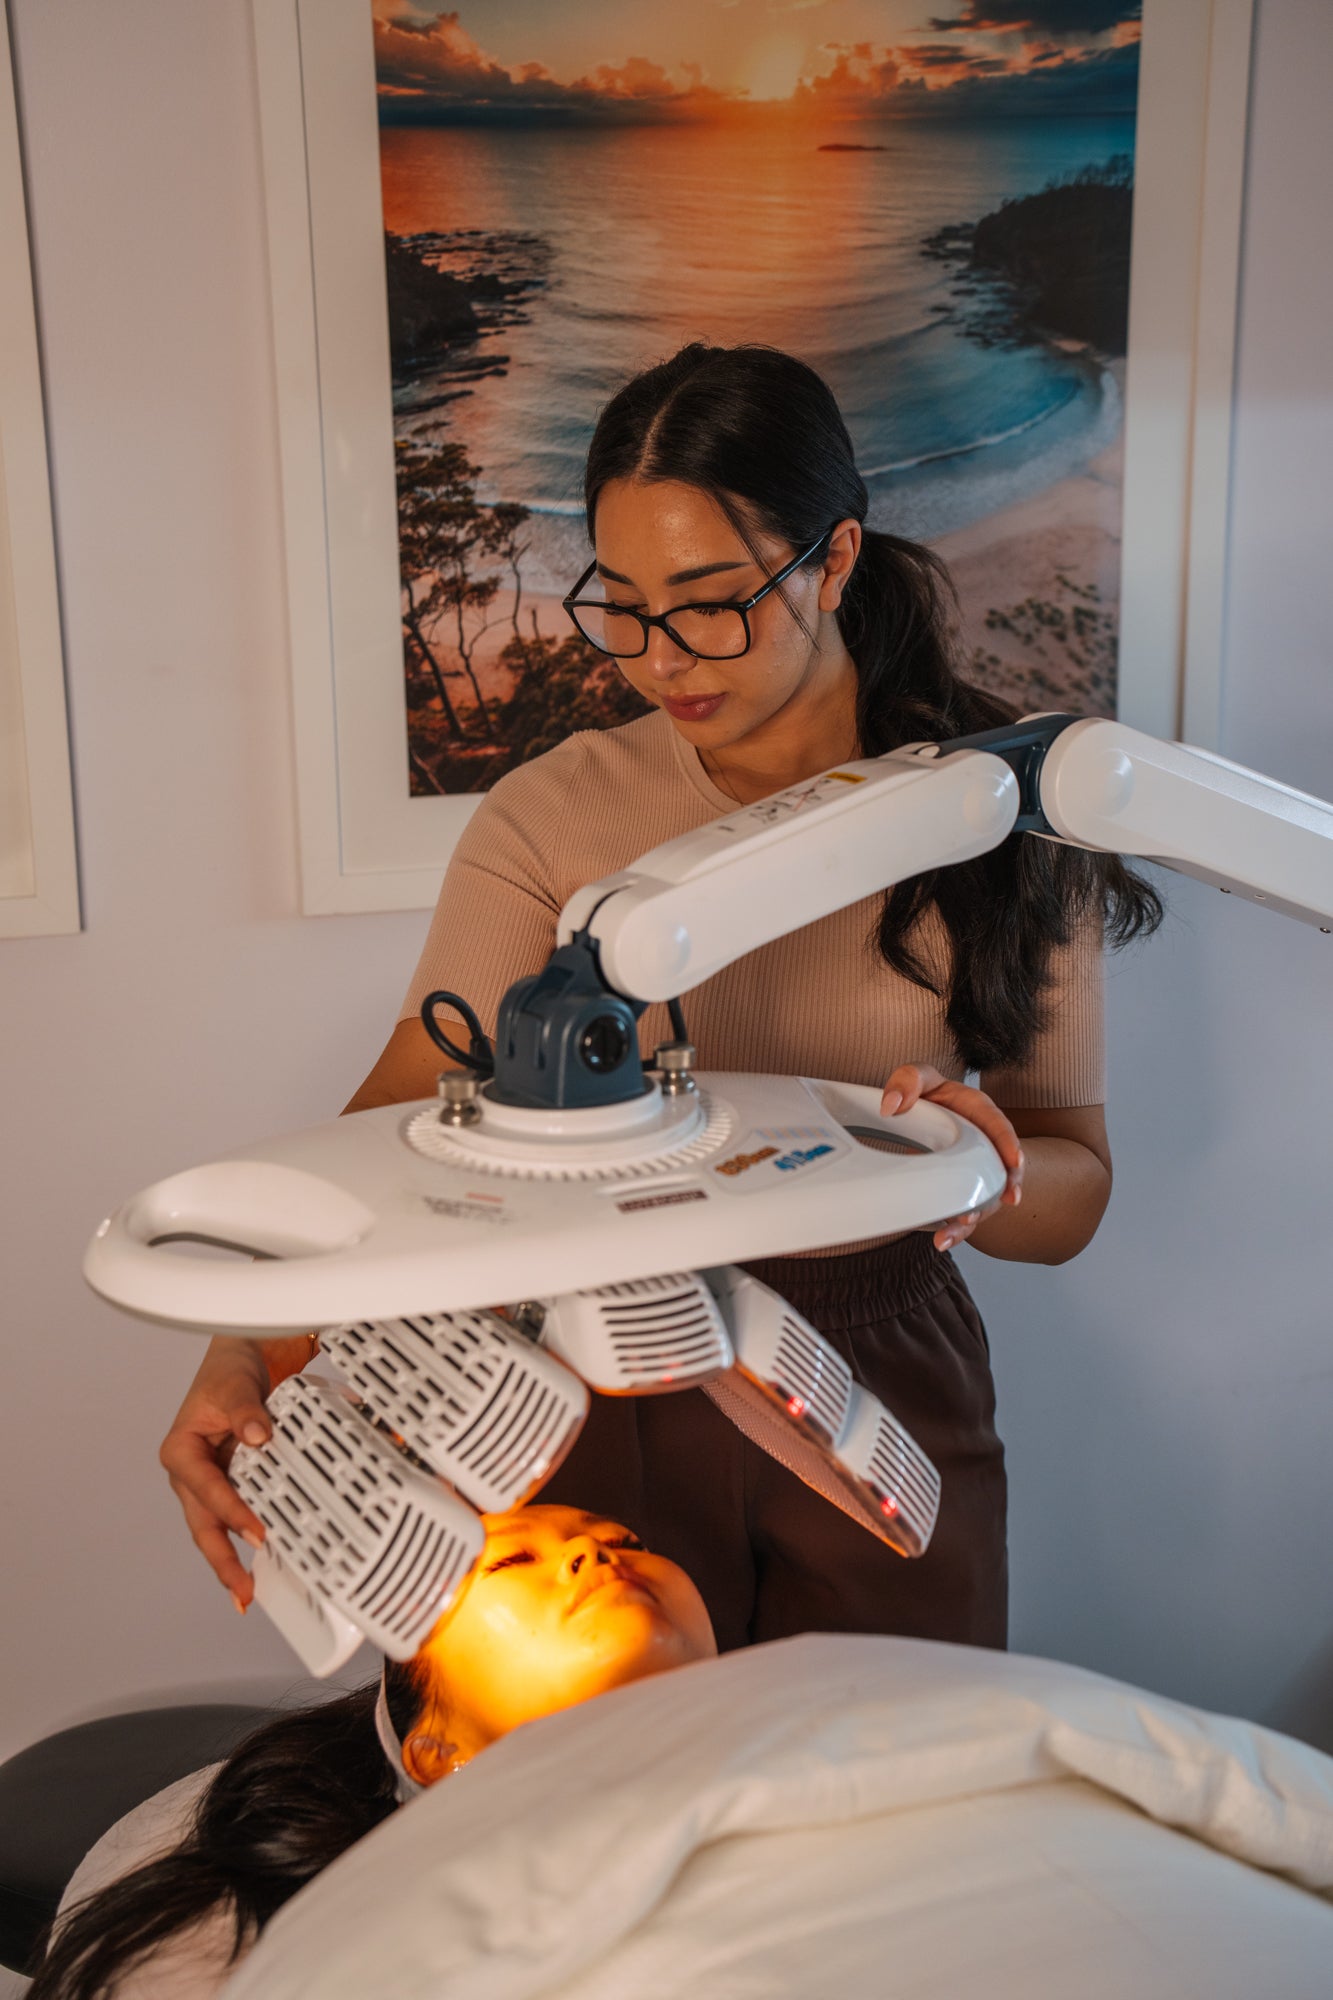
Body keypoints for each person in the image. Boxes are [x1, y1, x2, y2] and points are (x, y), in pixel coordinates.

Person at [160, 341, 1161, 1656]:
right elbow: (397, 1119)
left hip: (879, 1368)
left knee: (891, 1788)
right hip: (595, 1368)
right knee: (602, 1804)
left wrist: (980, 1167)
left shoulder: (998, 820)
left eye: (706, 601)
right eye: (621, 605)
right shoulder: (553, 819)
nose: (658, 659)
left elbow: (1075, 1185)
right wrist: (248, 1340)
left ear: (835, 560)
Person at [32, 1506, 717, 2000]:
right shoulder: (223, 1966)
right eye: (512, 1561)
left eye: (626, 1540)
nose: (597, 1555)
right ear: (435, 1753)